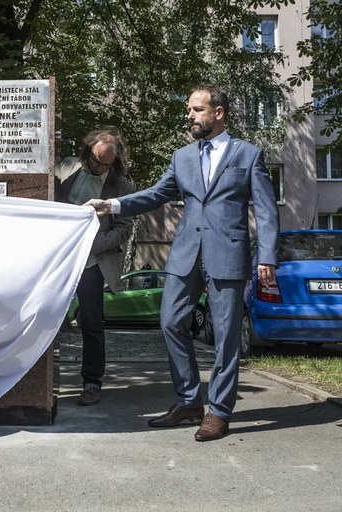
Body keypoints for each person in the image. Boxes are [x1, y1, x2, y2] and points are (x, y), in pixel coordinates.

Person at [87, 84, 279, 442]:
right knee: (171, 320)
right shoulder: (183, 157)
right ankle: (190, 400)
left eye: (196, 109)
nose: (189, 115)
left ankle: (219, 411)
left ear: (217, 113)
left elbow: (267, 210)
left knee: (224, 337)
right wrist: (111, 205)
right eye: (190, 109)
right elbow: (158, 194)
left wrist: (266, 254)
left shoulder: (248, 155)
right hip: (185, 253)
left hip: (228, 253)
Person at [55, 127, 135, 406]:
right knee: (44, 316)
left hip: (91, 263)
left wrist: (90, 244)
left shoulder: (123, 187)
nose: (98, 166)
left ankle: (92, 383)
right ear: (87, 151)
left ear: (116, 162)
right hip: (57, 259)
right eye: (95, 160)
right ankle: (35, 377)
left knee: (90, 323)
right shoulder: (65, 168)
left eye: (106, 163)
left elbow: (124, 230)